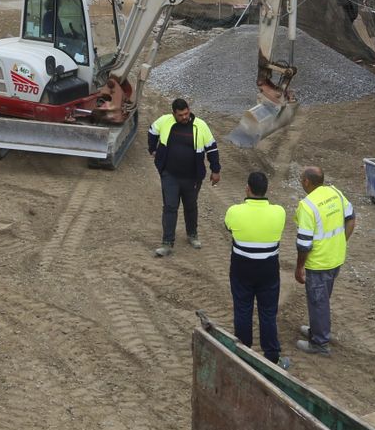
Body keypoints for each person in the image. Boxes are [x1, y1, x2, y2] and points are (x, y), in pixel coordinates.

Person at [226, 171, 290, 370]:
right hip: (268, 270)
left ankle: (243, 353)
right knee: (268, 313)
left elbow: (229, 228)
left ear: (248, 188)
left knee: (242, 309)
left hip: (241, 268)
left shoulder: (234, 211)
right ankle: (272, 356)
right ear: (266, 190)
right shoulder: (279, 212)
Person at [294, 165, 355, 356]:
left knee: (318, 301)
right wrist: (341, 242)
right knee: (322, 298)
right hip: (336, 258)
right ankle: (316, 329)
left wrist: (299, 266)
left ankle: (319, 343)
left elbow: (304, 244)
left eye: (300, 179)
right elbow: (351, 219)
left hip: (319, 263)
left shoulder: (307, 205)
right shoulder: (335, 192)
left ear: (307, 182)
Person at [147, 97, 220, 257]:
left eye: (186, 113)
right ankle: (167, 243)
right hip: (170, 175)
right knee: (170, 207)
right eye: (180, 115)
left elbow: (212, 148)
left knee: (191, 206)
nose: (184, 117)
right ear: (174, 114)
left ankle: (192, 235)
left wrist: (216, 170)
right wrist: (152, 149)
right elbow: (152, 130)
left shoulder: (200, 126)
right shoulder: (165, 121)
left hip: (192, 177)